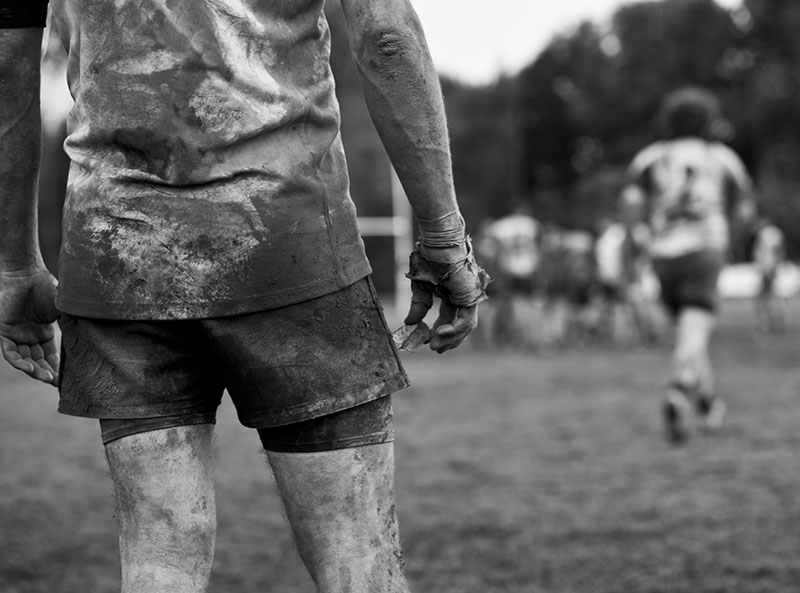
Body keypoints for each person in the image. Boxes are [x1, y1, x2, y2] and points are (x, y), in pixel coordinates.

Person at [0, 1, 489, 592]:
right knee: (357, 559)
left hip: (119, 250)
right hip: (290, 238)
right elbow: (385, 36)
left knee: (159, 561)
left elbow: (9, 59)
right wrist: (443, 236)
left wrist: (13, 263)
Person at [620, 87, 754, 444]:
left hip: (663, 254)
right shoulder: (721, 157)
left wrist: (636, 243)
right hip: (704, 249)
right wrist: (732, 242)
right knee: (695, 332)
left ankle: (708, 405)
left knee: (689, 330)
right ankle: (679, 389)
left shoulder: (650, 157)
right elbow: (744, 207)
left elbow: (632, 207)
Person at [752, 218, 787, 334]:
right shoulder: (776, 232)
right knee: (769, 295)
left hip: (767, 267)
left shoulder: (766, 232)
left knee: (765, 297)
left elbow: (771, 251)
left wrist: (768, 266)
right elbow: (780, 251)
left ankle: (769, 322)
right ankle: (775, 320)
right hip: (771, 267)